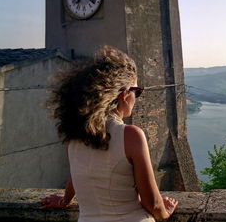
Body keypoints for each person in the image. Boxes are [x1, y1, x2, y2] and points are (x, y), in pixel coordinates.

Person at [40, 46, 178, 221]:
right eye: (137, 91)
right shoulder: (131, 135)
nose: (137, 97)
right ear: (125, 95)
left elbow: (79, 171)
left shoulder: (75, 136)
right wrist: (165, 212)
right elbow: (153, 203)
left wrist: (65, 200)